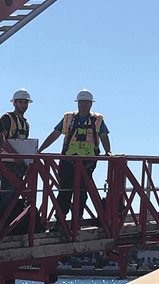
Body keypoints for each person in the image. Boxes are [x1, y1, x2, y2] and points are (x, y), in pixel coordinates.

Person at [41, 89, 111, 221]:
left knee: (82, 192)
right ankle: (60, 221)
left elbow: (104, 136)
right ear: (77, 103)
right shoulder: (69, 118)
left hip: (88, 162)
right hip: (69, 160)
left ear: (91, 104)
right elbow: (55, 134)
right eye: (81, 102)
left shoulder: (97, 120)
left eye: (86, 103)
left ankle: (76, 220)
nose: (83, 105)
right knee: (65, 191)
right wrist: (41, 149)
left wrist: (108, 151)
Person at [0, 89, 34, 234]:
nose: (23, 105)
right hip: (7, 163)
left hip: (19, 165)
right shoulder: (7, 118)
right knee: (6, 194)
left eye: (25, 102)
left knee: (14, 195)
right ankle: (2, 226)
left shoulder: (25, 123)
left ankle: (10, 226)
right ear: (14, 103)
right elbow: (1, 139)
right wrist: (14, 155)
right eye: (20, 102)